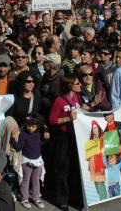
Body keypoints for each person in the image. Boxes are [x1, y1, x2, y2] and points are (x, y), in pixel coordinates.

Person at [48, 75, 82, 211]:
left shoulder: (76, 98)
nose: (80, 85)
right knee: (63, 168)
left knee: (74, 168)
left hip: (75, 136)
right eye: (77, 83)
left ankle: (74, 197)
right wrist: (67, 118)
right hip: (63, 136)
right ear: (70, 86)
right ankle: (61, 199)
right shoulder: (59, 101)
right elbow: (52, 120)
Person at [10, 112, 49, 209]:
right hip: (26, 161)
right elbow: (19, 147)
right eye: (29, 125)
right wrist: (13, 139)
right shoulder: (23, 134)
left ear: (37, 126)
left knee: (36, 180)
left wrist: (47, 139)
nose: (30, 128)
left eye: (33, 126)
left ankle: (36, 198)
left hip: (38, 160)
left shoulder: (38, 134)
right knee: (25, 180)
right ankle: (24, 199)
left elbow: (40, 144)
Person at [86, 120, 107, 200]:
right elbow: (88, 153)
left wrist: (102, 166)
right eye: (93, 128)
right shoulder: (91, 140)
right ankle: (102, 200)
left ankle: (104, 201)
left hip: (99, 164)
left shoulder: (102, 138)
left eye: (96, 128)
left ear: (98, 128)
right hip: (93, 166)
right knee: (97, 186)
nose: (94, 129)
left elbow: (104, 153)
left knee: (101, 186)